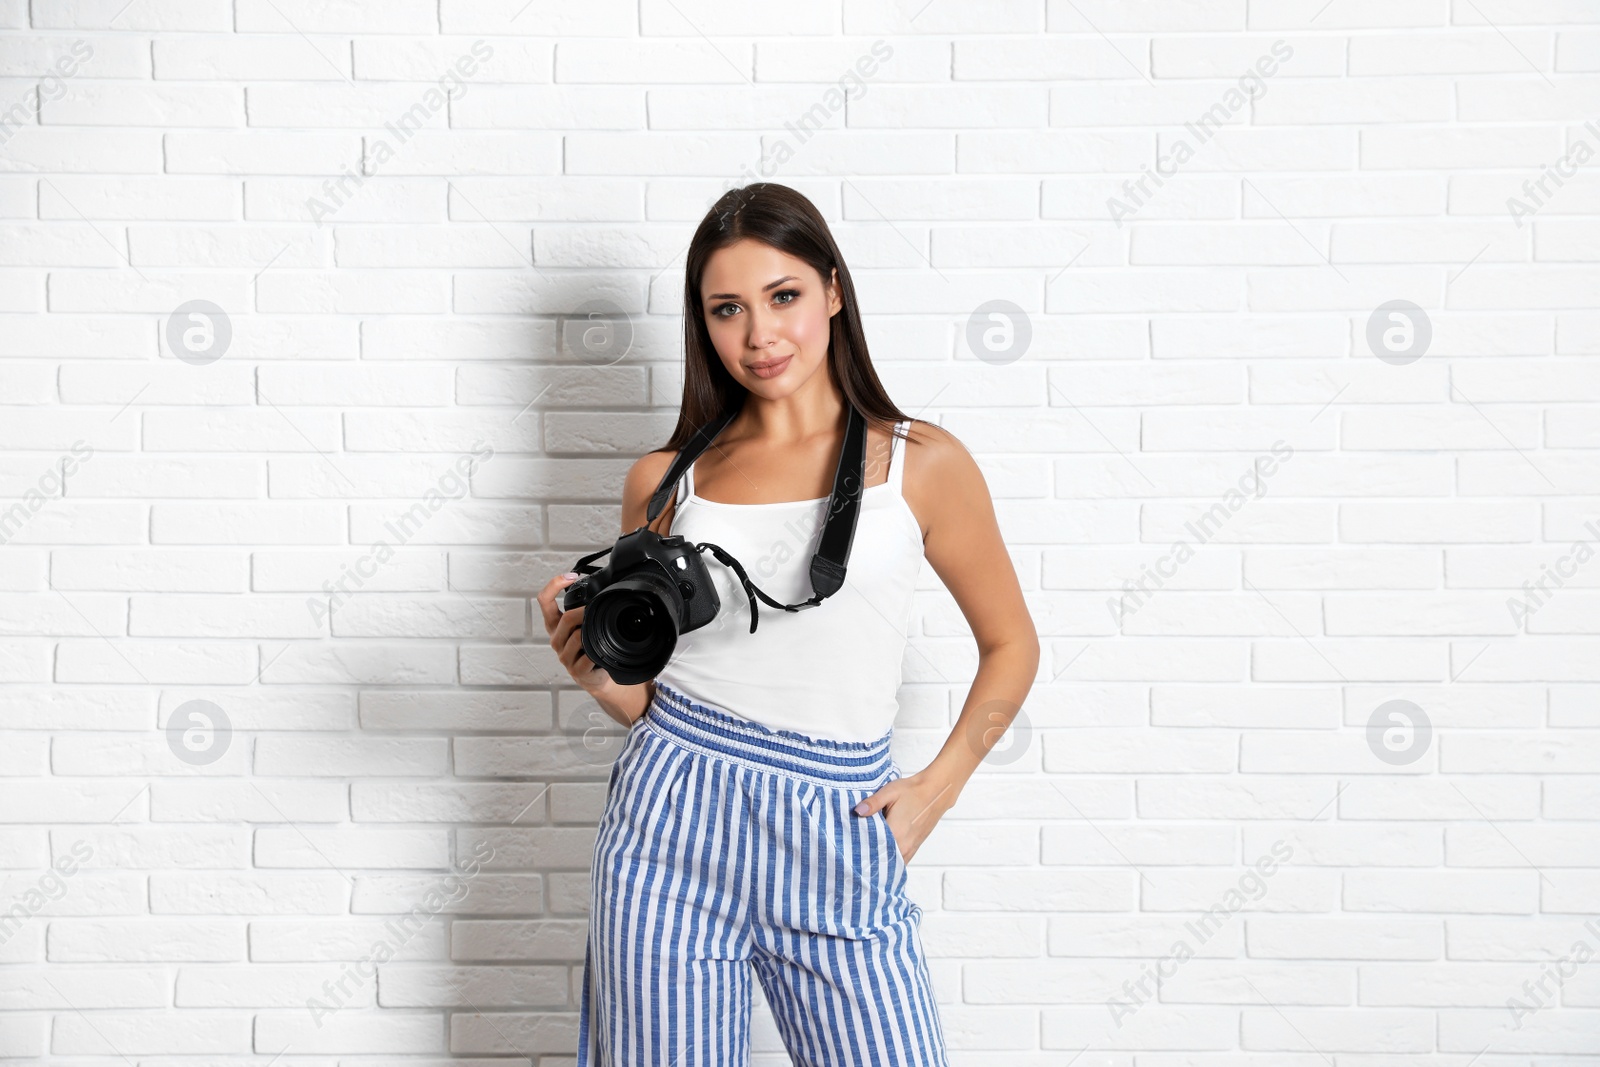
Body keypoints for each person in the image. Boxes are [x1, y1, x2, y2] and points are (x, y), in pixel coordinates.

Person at [537, 182, 1039, 1066]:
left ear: (834, 291)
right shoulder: (666, 478)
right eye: (726, 308)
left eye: (784, 296)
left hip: (841, 818)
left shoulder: (920, 463)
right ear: (703, 323)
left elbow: (1013, 645)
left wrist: (936, 786)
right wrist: (598, 675)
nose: (760, 334)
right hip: (668, 823)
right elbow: (662, 698)